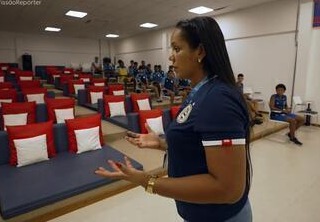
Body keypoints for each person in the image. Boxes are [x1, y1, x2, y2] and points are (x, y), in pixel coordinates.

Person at [95, 16, 252, 222]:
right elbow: (197, 145)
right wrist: (162, 143)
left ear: (200, 52)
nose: (171, 57)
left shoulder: (217, 100)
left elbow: (228, 189)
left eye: (177, 49)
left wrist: (148, 181)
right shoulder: (200, 91)